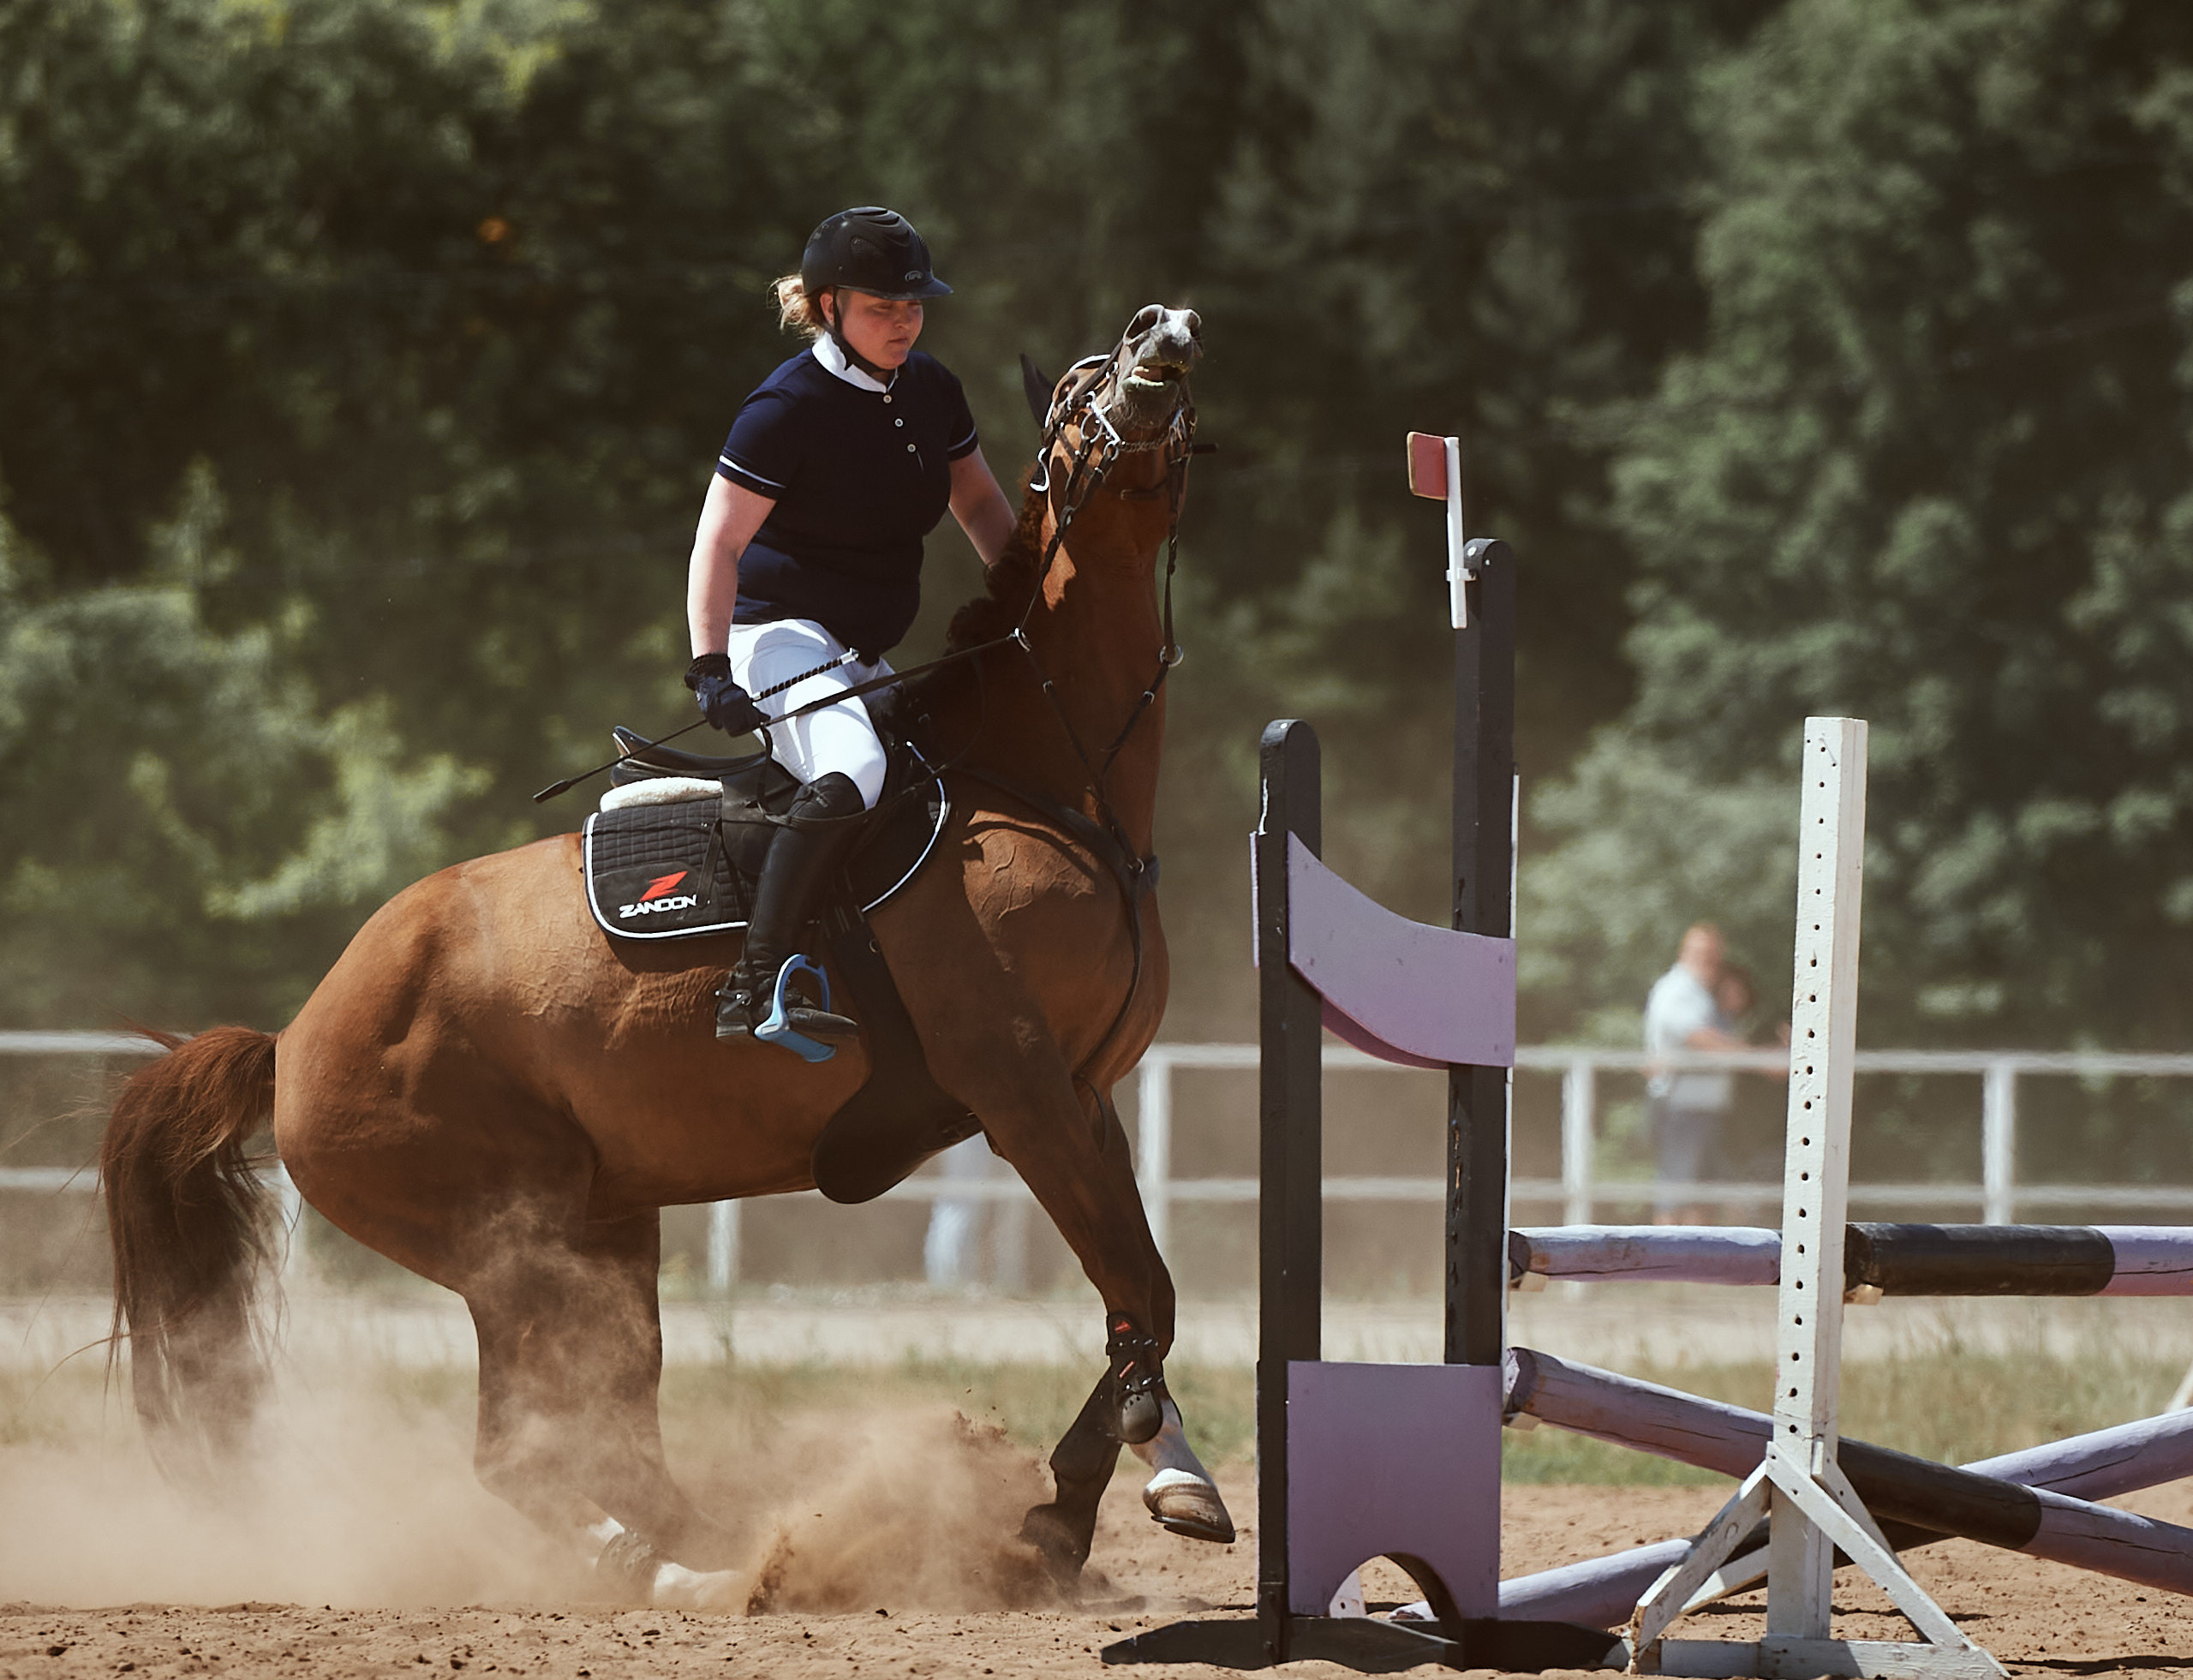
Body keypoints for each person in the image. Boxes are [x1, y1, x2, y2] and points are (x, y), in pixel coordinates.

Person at [682, 207, 1019, 1059]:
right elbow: (718, 540)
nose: (903, 322)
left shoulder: (932, 389)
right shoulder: (784, 408)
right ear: (828, 305)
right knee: (854, 767)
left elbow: (976, 502)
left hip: (862, 652)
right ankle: (754, 983)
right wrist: (711, 665)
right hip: (779, 636)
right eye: (882, 307)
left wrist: (1028, 599)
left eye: (913, 306)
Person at [1641, 923, 1753, 1223]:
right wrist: (1758, 1059)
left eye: (1714, 954)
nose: (1711, 960)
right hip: (1680, 1105)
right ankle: (1665, 1262)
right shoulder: (1677, 990)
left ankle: (1693, 1265)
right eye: (1704, 953)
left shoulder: (1699, 994)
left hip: (1703, 1107)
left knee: (1701, 1192)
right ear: (1686, 953)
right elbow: (1697, 1037)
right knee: (1675, 1189)